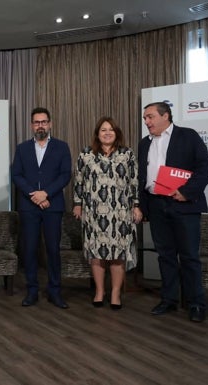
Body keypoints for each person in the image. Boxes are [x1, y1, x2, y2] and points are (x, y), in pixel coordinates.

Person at [138, 102, 208, 322]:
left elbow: (204, 168)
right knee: (165, 255)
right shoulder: (144, 144)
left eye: (150, 117)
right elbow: (142, 177)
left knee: (189, 257)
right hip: (156, 205)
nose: (146, 122)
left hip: (184, 205)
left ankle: (196, 303)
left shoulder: (187, 136)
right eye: (145, 118)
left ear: (165, 116)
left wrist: (187, 192)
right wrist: (142, 206)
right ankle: (169, 299)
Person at [72, 117, 143, 310]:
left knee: (117, 254)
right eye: (103, 130)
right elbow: (79, 182)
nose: (107, 133)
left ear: (117, 132)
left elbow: (134, 182)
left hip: (120, 213)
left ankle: (115, 293)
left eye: (111, 129)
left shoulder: (127, 154)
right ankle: (99, 291)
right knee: (97, 254)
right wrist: (77, 204)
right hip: (93, 212)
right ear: (97, 134)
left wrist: (136, 206)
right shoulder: (86, 154)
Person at [11, 107, 72, 309]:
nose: (40, 125)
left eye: (44, 122)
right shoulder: (22, 148)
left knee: (53, 250)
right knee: (29, 250)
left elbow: (65, 175)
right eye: (36, 122)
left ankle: (55, 291)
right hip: (29, 207)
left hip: (53, 205)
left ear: (50, 124)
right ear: (31, 125)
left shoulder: (62, 147)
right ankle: (32, 291)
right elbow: (17, 175)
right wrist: (34, 195)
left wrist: (46, 193)